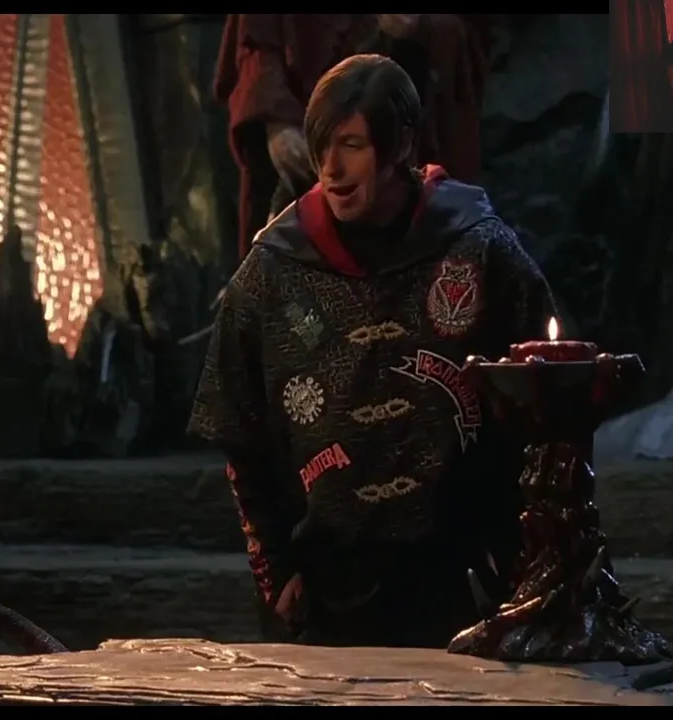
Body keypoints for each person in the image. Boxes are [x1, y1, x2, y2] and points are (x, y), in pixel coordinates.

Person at [188, 54, 557, 648]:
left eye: (352, 145)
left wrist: (525, 558)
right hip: (323, 589)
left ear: (401, 143)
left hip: (464, 580)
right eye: (321, 147)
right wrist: (276, 569)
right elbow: (241, 435)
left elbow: (545, 409)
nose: (331, 168)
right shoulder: (273, 271)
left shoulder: (478, 250)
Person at [212, 14, 494, 262]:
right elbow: (254, 40)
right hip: (298, 150)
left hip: (403, 150)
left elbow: (473, 35)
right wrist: (276, 119)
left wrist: (421, 28)